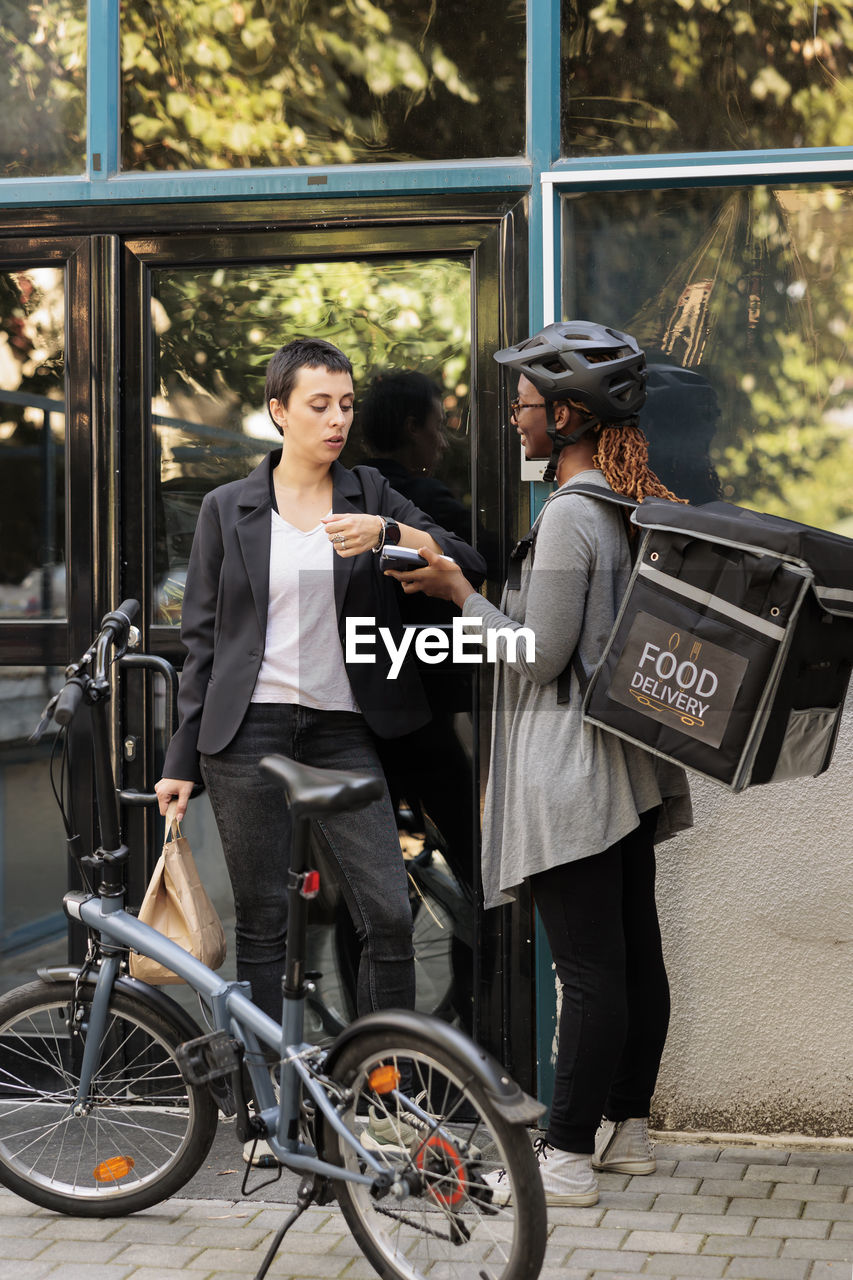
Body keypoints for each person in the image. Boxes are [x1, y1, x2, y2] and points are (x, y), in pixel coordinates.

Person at [155, 336, 486, 1160]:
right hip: (248, 733)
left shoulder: (372, 493)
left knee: (384, 912)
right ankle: (270, 1114)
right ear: (278, 411)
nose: (337, 419)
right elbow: (204, 642)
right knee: (266, 925)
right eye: (319, 405)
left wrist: (388, 535)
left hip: (345, 732)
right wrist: (178, 761)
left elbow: (469, 565)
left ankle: (385, 1098)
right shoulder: (226, 508)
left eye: (345, 404)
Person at [386, 321, 692, 1207]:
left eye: (522, 407)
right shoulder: (620, 505)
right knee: (634, 956)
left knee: (591, 971)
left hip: (572, 776)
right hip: (617, 769)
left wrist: (455, 591)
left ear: (566, 415)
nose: (513, 421)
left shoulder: (569, 517)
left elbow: (535, 652)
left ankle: (564, 1155)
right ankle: (625, 1129)